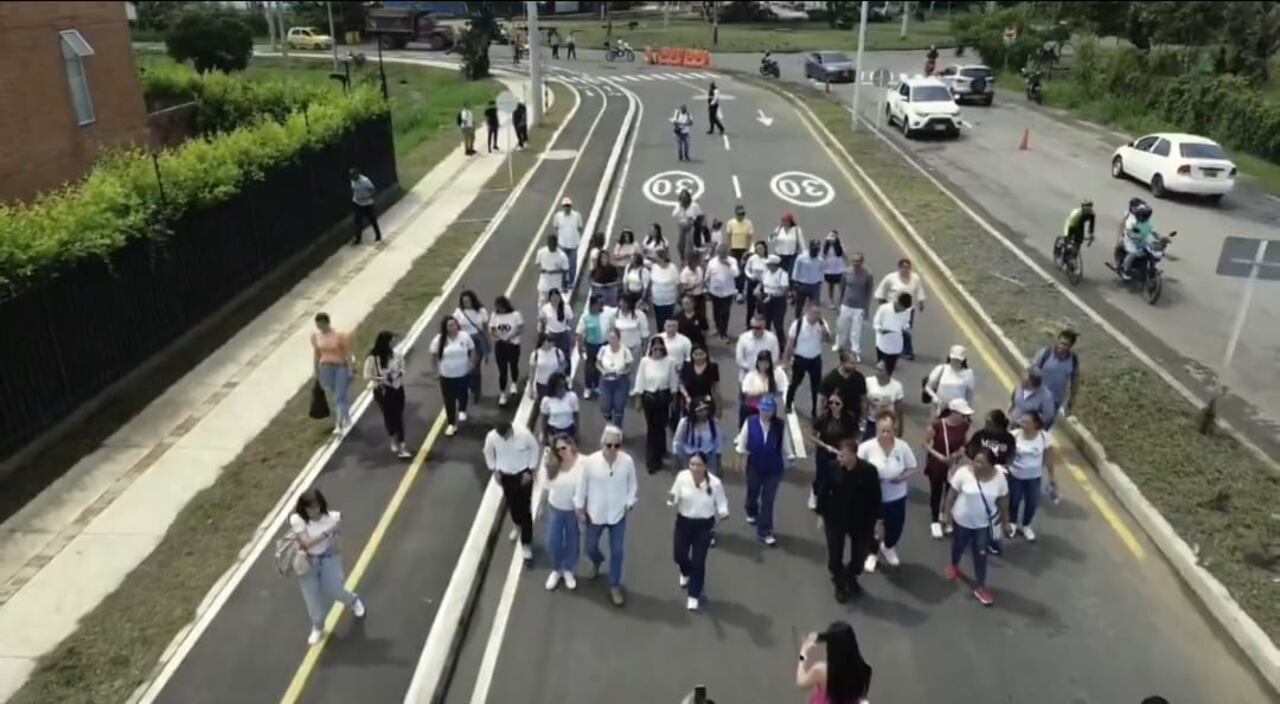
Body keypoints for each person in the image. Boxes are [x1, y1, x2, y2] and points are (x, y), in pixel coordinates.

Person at [289, 489, 366, 645]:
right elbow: (306, 542)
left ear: (321, 505)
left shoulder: (332, 518)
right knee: (311, 597)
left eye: (316, 507)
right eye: (309, 508)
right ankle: (318, 626)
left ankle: (353, 601)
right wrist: (327, 533)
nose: (313, 511)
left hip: (328, 556)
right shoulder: (297, 519)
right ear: (303, 508)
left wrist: (336, 530)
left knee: (335, 589)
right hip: (308, 562)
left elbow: (340, 521)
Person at [574, 425, 638, 607]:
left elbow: (632, 485)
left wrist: (629, 503)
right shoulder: (590, 462)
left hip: (618, 514)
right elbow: (581, 485)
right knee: (589, 547)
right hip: (595, 513)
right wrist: (579, 508)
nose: (612, 450)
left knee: (617, 551)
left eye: (616, 446)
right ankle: (598, 560)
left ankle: (614, 585)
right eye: (608, 445)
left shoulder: (627, 462)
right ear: (602, 443)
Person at [945, 446, 1010, 607]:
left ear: (991, 465)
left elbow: (1004, 502)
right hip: (962, 521)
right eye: (975, 461)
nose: (976, 465)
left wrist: (1006, 522)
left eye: (981, 462)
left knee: (981, 555)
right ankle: (954, 565)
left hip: (983, 525)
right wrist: (946, 516)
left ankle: (981, 587)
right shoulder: (963, 473)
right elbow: (951, 495)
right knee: (958, 546)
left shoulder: (1000, 478)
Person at [668, 452, 729, 611]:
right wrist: (672, 500)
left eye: (698, 465)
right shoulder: (682, 477)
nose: (694, 468)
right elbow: (674, 492)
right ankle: (685, 571)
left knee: (699, 560)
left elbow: (721, 502)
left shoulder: (715, 483)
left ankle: (694, 594)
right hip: (684, 522)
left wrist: (723, 512)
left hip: (704, 526)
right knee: (679, 554)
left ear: (705, 466)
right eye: (692, 464)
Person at [858, 414, 918, 570]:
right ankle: (872, 552)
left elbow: (912, 467)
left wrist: (901, 478)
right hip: (873, 497)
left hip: (896, 496)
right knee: (871, 527)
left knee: (895, 526)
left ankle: (888, 546)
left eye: (889, 431)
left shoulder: (902, 447)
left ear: (894, 430)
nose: (886, 434)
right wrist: (869, 480)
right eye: (882, 431)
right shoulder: (866, 448)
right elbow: (857, 470)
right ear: (876, 430)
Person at [735, 395, 794, 545]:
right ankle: (751, 510)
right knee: (752, 493)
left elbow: (785, 444)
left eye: (769, 411)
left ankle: (765, 531)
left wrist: (790, 456)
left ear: (774, 411)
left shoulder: (780, 426)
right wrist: (740, 458)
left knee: (768, 501)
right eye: (763, 410)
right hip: (755, 466)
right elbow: (742, 442)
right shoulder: (750, 422)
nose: (765, 413)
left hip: (774, 469)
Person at [483, 421, 540, 562]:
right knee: (512, 504)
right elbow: (488, 453)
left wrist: (530, 470)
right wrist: (494, 470)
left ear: (511, 429)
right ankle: (517, 525)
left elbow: (535, 449)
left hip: (523, 474)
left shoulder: (524, 434)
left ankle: (526, 543)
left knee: (525, 508)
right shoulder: (492, 437)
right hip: (506, 475)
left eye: (506, 435)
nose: (504, 438)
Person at [923, 398, 973, 539]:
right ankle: (935, 520)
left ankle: (946, 515)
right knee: (936, 492)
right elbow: (925, 443)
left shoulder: (965, 426)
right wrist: (939, 456)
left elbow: (966, 443)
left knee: (951, 492)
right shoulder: (937, 425)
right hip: (937, 464)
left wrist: (959, 453)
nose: (965, 417)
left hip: (953, 465)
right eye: (963, 415)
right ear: (953, 412)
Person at [1007, 410, 1055, 542]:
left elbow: (1049, 457)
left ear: (1035, 424)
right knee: (1014, 500)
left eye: (1026, 422)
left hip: (1034, 477)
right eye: (1022, 421)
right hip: (1016, 476)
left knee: (1032, 502)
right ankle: (1012, 523)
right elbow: (1005, 454)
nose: (1022, 424)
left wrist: (1051, 477)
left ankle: (1026, 525)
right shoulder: (1014, 436)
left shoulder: (1045, 437)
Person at [633, 336, 679, 474]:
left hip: (662, 398)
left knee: (660, 427)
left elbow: (673, 382)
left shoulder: (670, 362)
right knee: (652, 429)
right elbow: (640, 380)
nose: (657, 351)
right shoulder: (645, 362)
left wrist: (674, 401)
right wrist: (638, 399)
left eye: (660, 349)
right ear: (651, 349)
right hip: (649, 398)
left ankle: (659, 453)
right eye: (655, 349)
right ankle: (652, 461)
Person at [797, 622, 873, 704]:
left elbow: (801, 682)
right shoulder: (863, 668)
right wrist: (818, 637)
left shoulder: (821, 670)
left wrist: (803, 655)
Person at [808, 394, 860, 514]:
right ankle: (815, 494)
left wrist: (849, 449)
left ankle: (837, 501)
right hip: (824, 452)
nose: (833, 406)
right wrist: (825, 446)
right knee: (821, 476)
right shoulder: (824, 417)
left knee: (840, 478)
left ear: (843, 405)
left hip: (841, 453)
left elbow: (855, 435)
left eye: (837, 403)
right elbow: (811, 435)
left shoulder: (849, 419)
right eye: (831, 402)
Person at [363, 331, 411, 459]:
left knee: (399, 415)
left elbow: (403, 367)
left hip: (397, 388)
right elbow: (366, 375)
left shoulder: (396, 355)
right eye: (391, 341)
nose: (393, 343)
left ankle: (400, 442)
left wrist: (399, 373)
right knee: (390, 416)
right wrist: (381, 377)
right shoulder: (373, 358)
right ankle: (396, 440)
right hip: (383, 390)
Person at [543, 436, 583, 590]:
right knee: (554, 542)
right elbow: (545, 485)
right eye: (557, 449)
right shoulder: (551, 464)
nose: (561, 452)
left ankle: (568, 569)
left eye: (564, 448)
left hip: (573, 510)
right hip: (556, 508)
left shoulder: (581, 463)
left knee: (572, 540)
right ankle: (556, 569)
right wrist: (541, 506)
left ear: (571, 446)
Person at [784, 300, 832, 416]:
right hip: (800, 359)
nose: (816, 316)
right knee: (795, 382)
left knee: (816, 386)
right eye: (814, 312)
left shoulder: (822, 323)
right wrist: (786, 361)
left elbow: (827, 339)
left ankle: (815, 410)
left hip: (815, 359)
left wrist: (824, 331)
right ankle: (788, 403)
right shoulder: (798, 324)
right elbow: (789, 344)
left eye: (818, 313)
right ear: (808, 311)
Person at [429, 317, 475, 437]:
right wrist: (435, 371)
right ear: (445, 328)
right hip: (446, 375)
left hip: (462, 373)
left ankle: (462, 409)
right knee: (449, 400)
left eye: (454, 324)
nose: (453, 327)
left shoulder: (464, 336)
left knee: (463, 394)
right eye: (449, 325)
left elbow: (471, 350)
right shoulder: (439, 339)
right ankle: (451, 423)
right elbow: (433, 356)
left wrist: (471, 363)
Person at [874, 258, 926, 360]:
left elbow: (919, 290)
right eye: (903, 267)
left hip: (908, 310)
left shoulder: (915, 278)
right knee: (893, 330)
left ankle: (908, 351)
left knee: (905, 330)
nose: (906, 270)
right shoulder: (890, 278)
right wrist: (881, 305)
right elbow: (881, 290)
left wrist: (921, 302)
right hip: (893, 310)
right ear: (899, 268)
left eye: (908, 268)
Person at [311, 312, 354, 435]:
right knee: (336, 395)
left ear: (326, 323)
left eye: (321, 324)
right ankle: (347, 417)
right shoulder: (316, 337)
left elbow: (347, 353)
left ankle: (339, 423)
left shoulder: (338, 336)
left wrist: (350, 368)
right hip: (325, 368)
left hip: (340, 367)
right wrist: (316, 370)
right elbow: (316, 354)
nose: (319, 327)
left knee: (339, 396)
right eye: (317, 324)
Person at [1033, 328, 1081, 418]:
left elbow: (1075, 381)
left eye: (1065, 344)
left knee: (1043, 429)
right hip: (1037, 397)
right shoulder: (1046, 353)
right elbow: (1032, 369)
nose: (1061, 346)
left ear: (1070, 346)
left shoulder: (1073, 360)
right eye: (1061, 342)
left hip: (1055, 402)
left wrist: (1071, 400)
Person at [835, 252, 874, 358]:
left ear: (862, 262)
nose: (856, 263)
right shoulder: (846, 272)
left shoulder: (868, 275)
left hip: (859, 307)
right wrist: (839, 303)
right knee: (842, 327)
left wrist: (866, 308)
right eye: (854, 261)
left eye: (858, 261)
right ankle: (839, 344)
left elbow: (868, 292)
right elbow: (842, 288)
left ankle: (855, 350)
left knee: (856, 331)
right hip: (846, 304)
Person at [454, 290, 490, 402]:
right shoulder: (459, 312)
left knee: (475, 367)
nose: (466, 303)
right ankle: (471, 385)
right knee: (466, 367)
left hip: (477, 340)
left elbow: (485, 328)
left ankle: (476, 390)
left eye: (468, 301)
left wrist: (487, 343)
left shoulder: (481, 311)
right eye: (464, 301)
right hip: (464, 341)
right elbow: (455, 328)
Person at [576, 294, 614, 400]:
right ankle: (588, 387)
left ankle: (597, 385)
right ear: (593, 305)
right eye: (599, 304)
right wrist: (580, 347)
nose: (601, 306)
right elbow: (580, 333)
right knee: (589, 367)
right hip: (591, 345)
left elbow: (612, 328)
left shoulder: (608, 314)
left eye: (602, 303)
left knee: (600, 366)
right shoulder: (586, 316)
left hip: (603, 344)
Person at [488, 295, 523, 407]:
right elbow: (492, 328)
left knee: (513, 365)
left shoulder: (515, 315)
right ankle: (502, 393)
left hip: (513, 344)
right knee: (502, 370)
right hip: (501, 345)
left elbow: (520, 327)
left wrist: (510, 336)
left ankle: (514, 383)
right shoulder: (494, 315)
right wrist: (496, 336)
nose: (499, 309)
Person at [923, 344, 976, 416]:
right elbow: (928, 387)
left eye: (958, 360)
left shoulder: (969, 374)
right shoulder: (941, 369)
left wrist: (967, 410)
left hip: (958, 410)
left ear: (963, 360)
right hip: (940, 407)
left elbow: (969, 395)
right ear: (949, 358)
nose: (955, 362)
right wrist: (934, 397)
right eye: (953, 359)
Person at [819, 351, 869, 428]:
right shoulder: (830, 378)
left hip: (853, 419)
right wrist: (822, 418)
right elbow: (823, 400)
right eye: (851, 363)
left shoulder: (859, 378)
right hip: (835, 419)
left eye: (855, 363)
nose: (854, 366)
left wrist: (863, 418)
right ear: (842, 363)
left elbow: (863, 399)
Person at [673, 400, 723, 476]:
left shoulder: (713, 423)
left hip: (708, 456)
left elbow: (718, 441)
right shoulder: (685, 423)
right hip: (689, 456)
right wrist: (677, 458)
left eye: (705, 409)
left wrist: (718, 458)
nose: (703, 413)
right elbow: (677, 442)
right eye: (699, 410)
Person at [740, 349, 788, 428]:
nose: (763, 365)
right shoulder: (751, 375)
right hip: (751, 409)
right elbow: (746, 392)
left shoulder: (776, 375)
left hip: (768, 410)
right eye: (761, 363)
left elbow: (782, 389)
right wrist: (763, 393)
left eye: (766, 363)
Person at [596, 329, 634, 427]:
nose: (611, 340)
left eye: (614, 338)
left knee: (619, 406)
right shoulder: (603, 349)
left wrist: (621, 372)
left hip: (620, 382)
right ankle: (609, 423)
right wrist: (603, 371)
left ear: (618, 338)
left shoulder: (625, 350)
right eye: (610, 337)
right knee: (606, 406)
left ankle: (617, 428)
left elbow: (629, 367)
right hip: (606, 382)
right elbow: (598, 363)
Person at [705, 244, 740, 342]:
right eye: (720, 254)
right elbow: (708, 274)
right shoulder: (712, 262)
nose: (722, 256)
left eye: (724, 254)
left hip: (728, 292)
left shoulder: (733, 261)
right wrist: (706, 284)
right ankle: (718, 328)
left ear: (727, 253)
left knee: (725, 312)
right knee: (716, 312)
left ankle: (723, 333)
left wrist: (728, 265)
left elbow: (736, 274)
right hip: (714, 291)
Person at [872, 292, 912, 376]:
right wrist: (881, 330)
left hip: (895, 345)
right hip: (882, 344)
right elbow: (876, 323)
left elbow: (906, 324)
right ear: (898, 303)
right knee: (880, 368)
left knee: (889, 370)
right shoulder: (884, 308)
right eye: (902, 308)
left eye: (905, 309)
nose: (903, 310)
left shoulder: (907, 311)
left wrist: (904, 328)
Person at [735, 313, 780, 385]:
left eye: (758, 328)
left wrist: (764, 370)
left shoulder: (772, 339)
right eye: (753, 327)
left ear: (764, 326)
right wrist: (753, 370)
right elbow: (739, 359)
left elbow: (775, 358)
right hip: (746, 379)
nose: (755, 330)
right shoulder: (743, 338)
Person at [863, 360, 904, 439]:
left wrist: (899, 427)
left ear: (887, 372)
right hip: (871, 421)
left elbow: (899, 409)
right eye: (876, 369)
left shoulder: (897, 387)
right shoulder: (868, 381)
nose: (876, 372)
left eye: (880, 370)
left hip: (886, 423)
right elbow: (863, 401)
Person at [1009, 365, 1058, 430]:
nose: (1022, 383)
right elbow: (1013, 401)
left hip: (1026, 431)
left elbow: (1047, 417)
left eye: (1026, 382)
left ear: (1033, 383)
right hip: (1011, 424)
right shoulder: (1020, 387)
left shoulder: (1046, 398)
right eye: (1022, 379)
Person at [1119, 199, 1157, 280]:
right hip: (1130, 241)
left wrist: (1162, 238)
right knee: (1133, 253)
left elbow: (1153, 232)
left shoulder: (1146, 221)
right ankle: (1124, 270)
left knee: (1152, 250)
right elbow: (1129, 233)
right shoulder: (1131, 221)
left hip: (1141, 241)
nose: (1146, 218)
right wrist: (1135, 236)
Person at [680, 344, 722, 416]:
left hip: (706, 401)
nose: (698, 357)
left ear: (706, 354)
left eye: (701, 354)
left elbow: (716, 388)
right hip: (690, 401)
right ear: (692, 355)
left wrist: (719, 407)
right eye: (696, 354)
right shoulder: (687, 366)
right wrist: (687, 397)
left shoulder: (712, 367)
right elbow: (681, 384)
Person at [538, 288, 574, 372]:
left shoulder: (566, 308)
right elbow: (542, 320)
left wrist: (568, 330)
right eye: (552, 297)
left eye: (556, 296)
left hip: (563, 334)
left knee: (566, 355)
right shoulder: (545, 308)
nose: (555, 299)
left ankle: (567, 374)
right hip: (551, 335)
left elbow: (569, 320)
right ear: (549, 298)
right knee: (553, 355)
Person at [725, 204, 755, 300]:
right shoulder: (731, 223)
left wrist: (747, 251)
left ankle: (740, 291)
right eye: (739, 214)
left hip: (743, 249)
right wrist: (729, 249)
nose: (741, 216)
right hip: (734, 249)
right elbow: (729, 236)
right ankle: (734, 289)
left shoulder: (748, 223)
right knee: (734, 269)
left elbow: (749, 238)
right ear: (736, 214)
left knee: (741, 271)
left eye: (742, 214)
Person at [553, 196, 584, 288]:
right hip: (562, 245)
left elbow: (580, 228)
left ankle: (570, 282)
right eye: (565, 206)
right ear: (563, 207)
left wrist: (577, 238)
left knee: (572, 265)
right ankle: (563, 283)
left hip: (573, 244)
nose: (567, 207)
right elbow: (556, 228)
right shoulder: (558, 216)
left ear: (571, 206)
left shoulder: (576, 216)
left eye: (568, 206)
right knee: (562, 265)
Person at [540, 372, 580, 440]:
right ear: (553, 388)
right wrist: (544, 434)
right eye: (559, 387)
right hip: (553, 431)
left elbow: (576, 415)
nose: (562, 389)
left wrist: (577, 432)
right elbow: (544, 419)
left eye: (563, 386)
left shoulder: (572, 397)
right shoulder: (546, 400)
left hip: (569, 430)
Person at [760, 254, 790, 342]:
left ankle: (781, 344)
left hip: (778, 301)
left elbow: (784, 289)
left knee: (778, 325)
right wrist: (758, 289)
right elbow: (763, 283)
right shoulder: (766, 272)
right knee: (766, 323)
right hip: (766, 299)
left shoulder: (783, 274)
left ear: (774, 265)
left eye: (769, 264)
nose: (767, 266)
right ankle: (766, 342)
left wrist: (773, 295)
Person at [529, 333, 566, 404]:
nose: (551, 343)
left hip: (555, 384)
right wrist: (531, 388)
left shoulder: (557, 352)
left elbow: (563, 365)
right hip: (542, 385)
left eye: (552, 341)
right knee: (544, 405)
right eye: (549, 341)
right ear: (543, 342)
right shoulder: (536, 354)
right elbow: (532, 372)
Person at [348, 166, 382, 245]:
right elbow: (353, 189)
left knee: (372, 220)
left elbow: (373, 189)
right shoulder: (352, 181)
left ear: (357, 174)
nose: (352, 178)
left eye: (353, 176)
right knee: (358, 222)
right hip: (357, 203)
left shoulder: (365, 181)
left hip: (367, 203)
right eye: (350, 176)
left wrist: (370, 197)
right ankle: (358, 239)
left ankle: (378, 235)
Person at [792, 240, 825, 318]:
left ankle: (811, 320)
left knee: (814, 307)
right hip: (802, 285)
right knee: (799, 306)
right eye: (814, 249)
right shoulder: (801, 257)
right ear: (810, 248)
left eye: (817, 249)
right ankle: (797, 321)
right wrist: (795, 282)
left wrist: (820, 281)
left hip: (814, 286)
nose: (816, 251)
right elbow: (796, 269)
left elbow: (821, 271)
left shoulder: (820, 260)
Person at [613, 293, 650, 362]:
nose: (623, 304)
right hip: (620, 349)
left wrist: (645, 350)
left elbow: (645, 334)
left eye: (625, 302)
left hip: (635, 348)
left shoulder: (640, 315)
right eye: (621, 301)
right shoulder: (615, 314)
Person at [650, 249, 681, 330]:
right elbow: (651, 282)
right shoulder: (654, 267)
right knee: (659, 322)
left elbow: (678, 283)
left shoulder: (672, 268)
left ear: (661, 258)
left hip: (669, 301)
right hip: (657, 301)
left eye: (656, 257)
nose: (655, 259)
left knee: (669, 322)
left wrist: (677, 298)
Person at [535, 234, 570, 304]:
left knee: (554, 308)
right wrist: (540, 269)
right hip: (543, 286)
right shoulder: (541, 252)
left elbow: (565, 270)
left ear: (556, 244)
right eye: (549, 244)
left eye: (552, 245)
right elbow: (537, 263)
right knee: (542, 306)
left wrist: (564, 286)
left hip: (555, 287)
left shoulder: (562, 256)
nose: (550, 247)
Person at [743, 241, 770, 326]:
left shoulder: (768, 260)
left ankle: (761, 325)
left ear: (765, 249)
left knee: (761, 308)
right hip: (752, 283)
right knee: (750, 307)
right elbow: (747, 269)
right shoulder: (752, 258)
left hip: (763, 285)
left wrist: (761, 283)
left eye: (761, 248)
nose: (759, 250)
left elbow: (768, 273)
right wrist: (751, 276)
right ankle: (749, 326)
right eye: (757, 249)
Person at [679, 255, 708, 331]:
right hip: (690, 296)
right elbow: (683, 288)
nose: (696, 265)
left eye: (697, 263)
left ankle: (702, 331)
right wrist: (693, 286)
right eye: (694, 263)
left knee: (702, 315)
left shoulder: (699, 269)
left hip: (700, 295)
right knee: (691, 315)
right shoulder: (685, 273)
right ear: (690, 263)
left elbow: (702, 281)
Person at [673, 189, 702, 263]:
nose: (684, 200)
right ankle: (682, 257)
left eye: (685, 198)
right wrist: (680, 207)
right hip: (682, 225)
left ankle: (691, 258)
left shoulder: (694, 205)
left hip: (691, 225)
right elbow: (674, 215)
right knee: (680, 243)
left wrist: (693, 219)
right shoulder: (679, 206)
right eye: (682, 198)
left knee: (690, 242)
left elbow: (699, 214)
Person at [821, 231, 845, 308]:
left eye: (833, 239)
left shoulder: (840, 246)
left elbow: (844, 255)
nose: (831, 241)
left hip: (839, 270)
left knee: (841, 286)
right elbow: (822, 256)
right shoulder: (825, 247)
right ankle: (831, 301)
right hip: (829, 270)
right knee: (831, 286)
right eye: (830, 239)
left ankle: (841, 301)